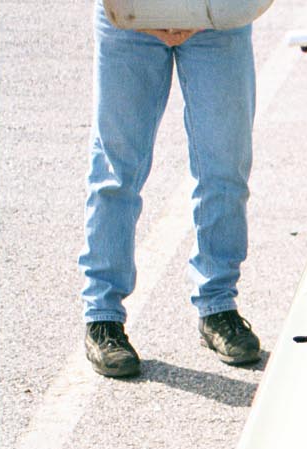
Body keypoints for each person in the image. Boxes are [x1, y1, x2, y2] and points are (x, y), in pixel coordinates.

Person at [80, 4, 260, 377]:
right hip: (129, 15)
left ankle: (218, 306)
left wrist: (204, 12)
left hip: (217, 18)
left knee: (224, 168)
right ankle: (102, 315)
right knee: (116, 171)